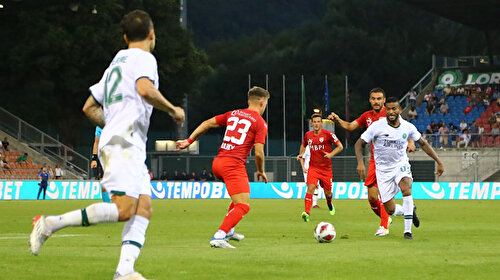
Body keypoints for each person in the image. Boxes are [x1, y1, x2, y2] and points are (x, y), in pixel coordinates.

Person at [29, 10, 185, 280]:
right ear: (151, 34)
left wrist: (112, 122)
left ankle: (124, 271)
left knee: (143, 208)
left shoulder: (117, 62)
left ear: (125, 36)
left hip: (124, 141)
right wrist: (173, 109)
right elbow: (145, 90)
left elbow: (89, 107)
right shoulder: (145, 58)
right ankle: (49, 224)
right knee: (125, 209)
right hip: (123, 142)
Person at [176, 86, 269, 249]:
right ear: (262, 102)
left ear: (249, 101)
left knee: (238, 199)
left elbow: (207, 123)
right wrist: (260, 170)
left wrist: (188, 141)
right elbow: (259, 153)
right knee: (243, 205)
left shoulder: (233, 114)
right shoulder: (260, 123)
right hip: (233, 164)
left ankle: (230, 230)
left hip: (218, 162)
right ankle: (219, 236)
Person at [328, 88, 414, 236]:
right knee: (372, 197)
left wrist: (411, 142)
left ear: (384, 101)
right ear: (370, 100)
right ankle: (405, 211)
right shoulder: (366, 116)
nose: (376, 101)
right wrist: (337, 120)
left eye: (379, 99)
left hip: (393, 162)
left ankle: (385, 223)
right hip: (375, 161)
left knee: (391, 196)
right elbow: (350, 126)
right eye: (373, 98)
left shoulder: (390, 114)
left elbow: (405, 128)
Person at [355, 97, 444, 239]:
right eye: (388, 108)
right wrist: (360, 163)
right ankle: (409, 210)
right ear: (386, 110)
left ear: (400, 110)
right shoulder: (377, 126)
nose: (391, 111)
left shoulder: (407, 127)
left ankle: (407, 232)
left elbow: (423, 143)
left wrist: (438, 161)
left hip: (400, 165)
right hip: (383, 171)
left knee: (406, 188)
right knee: (390, 209)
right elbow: (358, 144)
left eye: (394, 108)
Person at [298, 113, 343, 222]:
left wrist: (330, 155)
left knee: (327, 193)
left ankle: (329, 203)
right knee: (310, 188)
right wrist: (301, 154)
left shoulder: (328, 134)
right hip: (313, 168)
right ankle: (307, 213)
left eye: (319, 122)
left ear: (321, 123)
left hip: (326, 170)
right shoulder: (308, 135)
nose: (317, 124)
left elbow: (340, 146)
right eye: (315, 122)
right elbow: (304, 145)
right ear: (311, 123)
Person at [91, 126, 110, 203]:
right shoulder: (100, 126)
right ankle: (107, 207)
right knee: (103, 185)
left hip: (117, 156)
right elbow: (96, 142)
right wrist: (94, 159)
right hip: (104, 157)